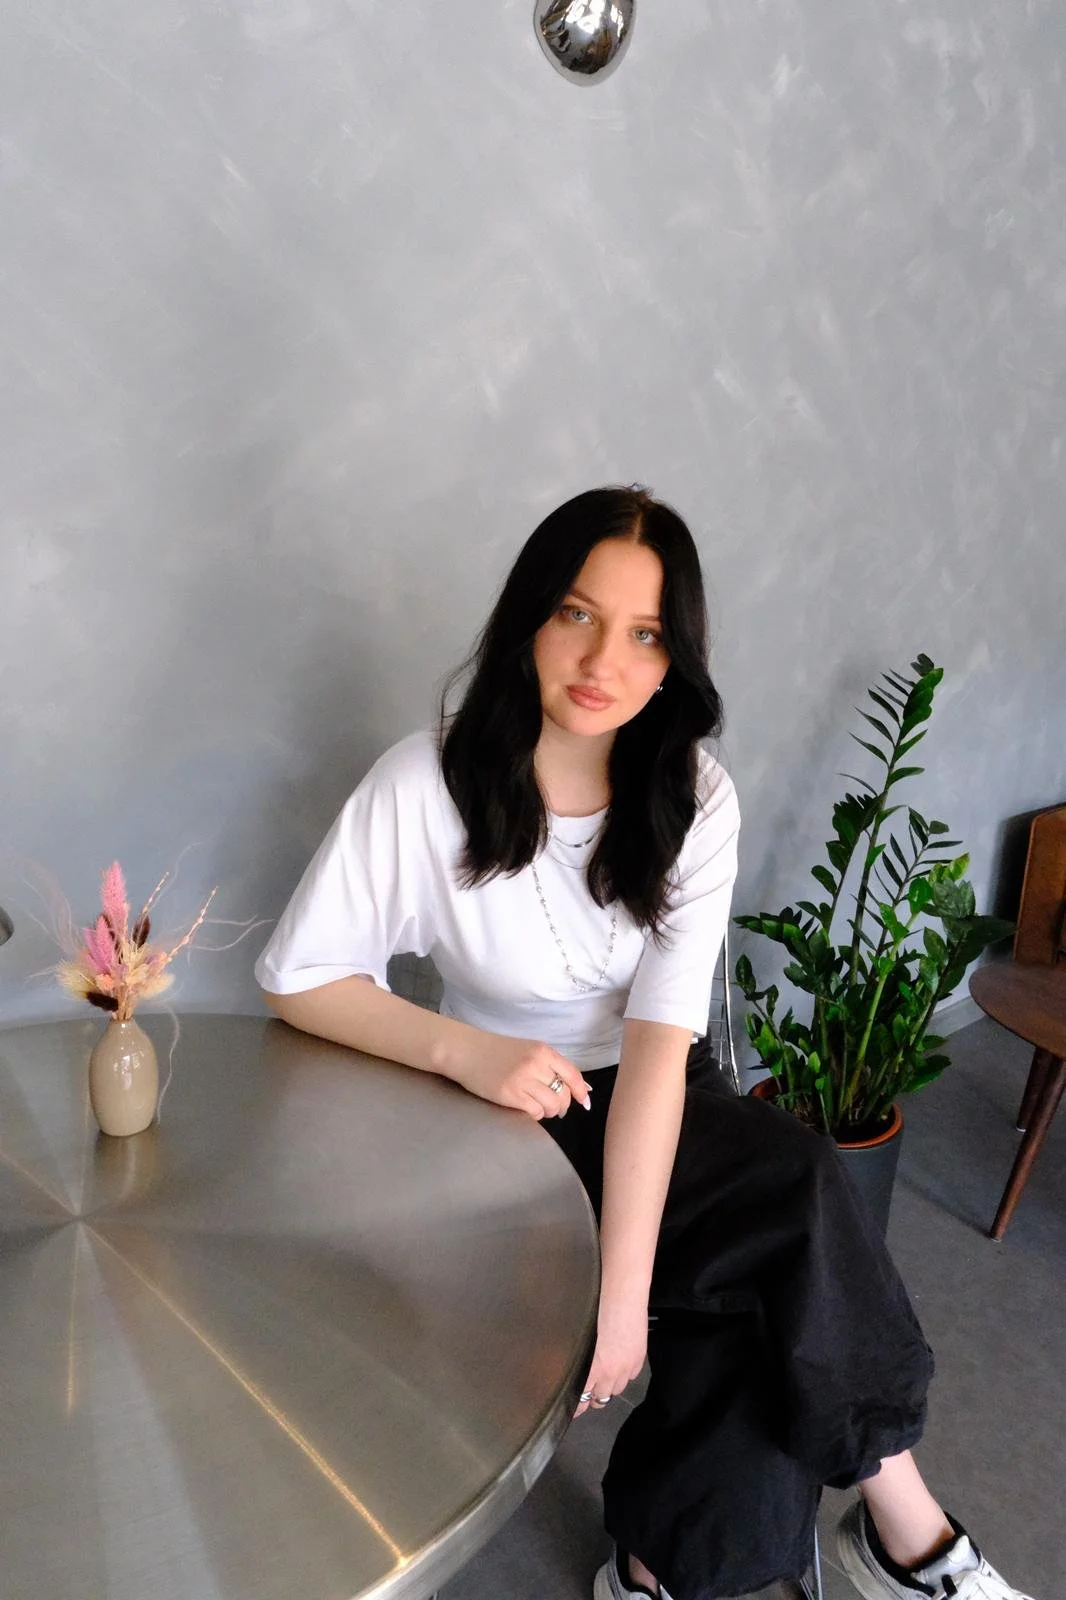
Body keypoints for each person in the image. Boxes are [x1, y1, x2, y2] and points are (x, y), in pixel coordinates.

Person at [255, 487, 1033, 1600]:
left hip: (653, 1087)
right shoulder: (423, 784)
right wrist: (465, 1053)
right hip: (503, 1112)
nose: (601, 660)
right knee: (783, 1218)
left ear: (675, 660)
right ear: (529, 616)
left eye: (645, 634)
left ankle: (678, 1566)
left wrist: (621, 1296)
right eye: (576, 614)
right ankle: (902, 1542)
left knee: (776, 1226)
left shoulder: (691, 796)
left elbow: (661, 1056)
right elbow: (299, 977)